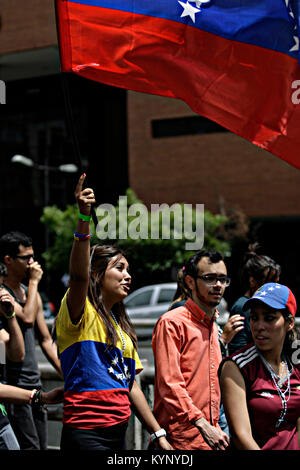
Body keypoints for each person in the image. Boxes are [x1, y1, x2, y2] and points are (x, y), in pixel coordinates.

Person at [55, 174, 173, 451]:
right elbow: (78, 275)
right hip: (86, 433)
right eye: (119, 268)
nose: (128, 276)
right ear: (97, 275)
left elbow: (131, 385)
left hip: (118, 433)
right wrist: (84, 217)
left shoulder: (120, 326)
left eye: (128, 270)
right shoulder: (79, 312)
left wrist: (158, 435)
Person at [152, 249, 242, 450]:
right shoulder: (171, 323)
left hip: (213, 439)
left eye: (222, 279)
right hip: (178, 442)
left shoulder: (214, 324)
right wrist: (201, 423)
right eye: (209, 278)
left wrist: (214, 426)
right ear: (190, 282)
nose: (218, 285)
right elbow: (170, 384)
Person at [0, 232, 62, 450]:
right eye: (26, 258)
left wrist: (67, 373)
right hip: (13, 387)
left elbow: (45, 339)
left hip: (34, 382)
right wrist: (35, 282)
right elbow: (26, 317)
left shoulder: (28, 291)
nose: (32, 263)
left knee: (41, 446)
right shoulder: (2, 293)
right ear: (8, 260)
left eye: (32, 257)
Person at [219, 282, 300, 450]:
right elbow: (241, 437)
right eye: (254, 318)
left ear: (289, 322)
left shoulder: (296, 362)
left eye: (269, 318)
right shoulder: (236, 367)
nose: (259, 326)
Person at [228, 243, 281, 354]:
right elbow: (238, 350)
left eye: (276, 283)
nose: (274, 288)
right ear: (252, 281)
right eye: (269, 282)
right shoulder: (241, 307)